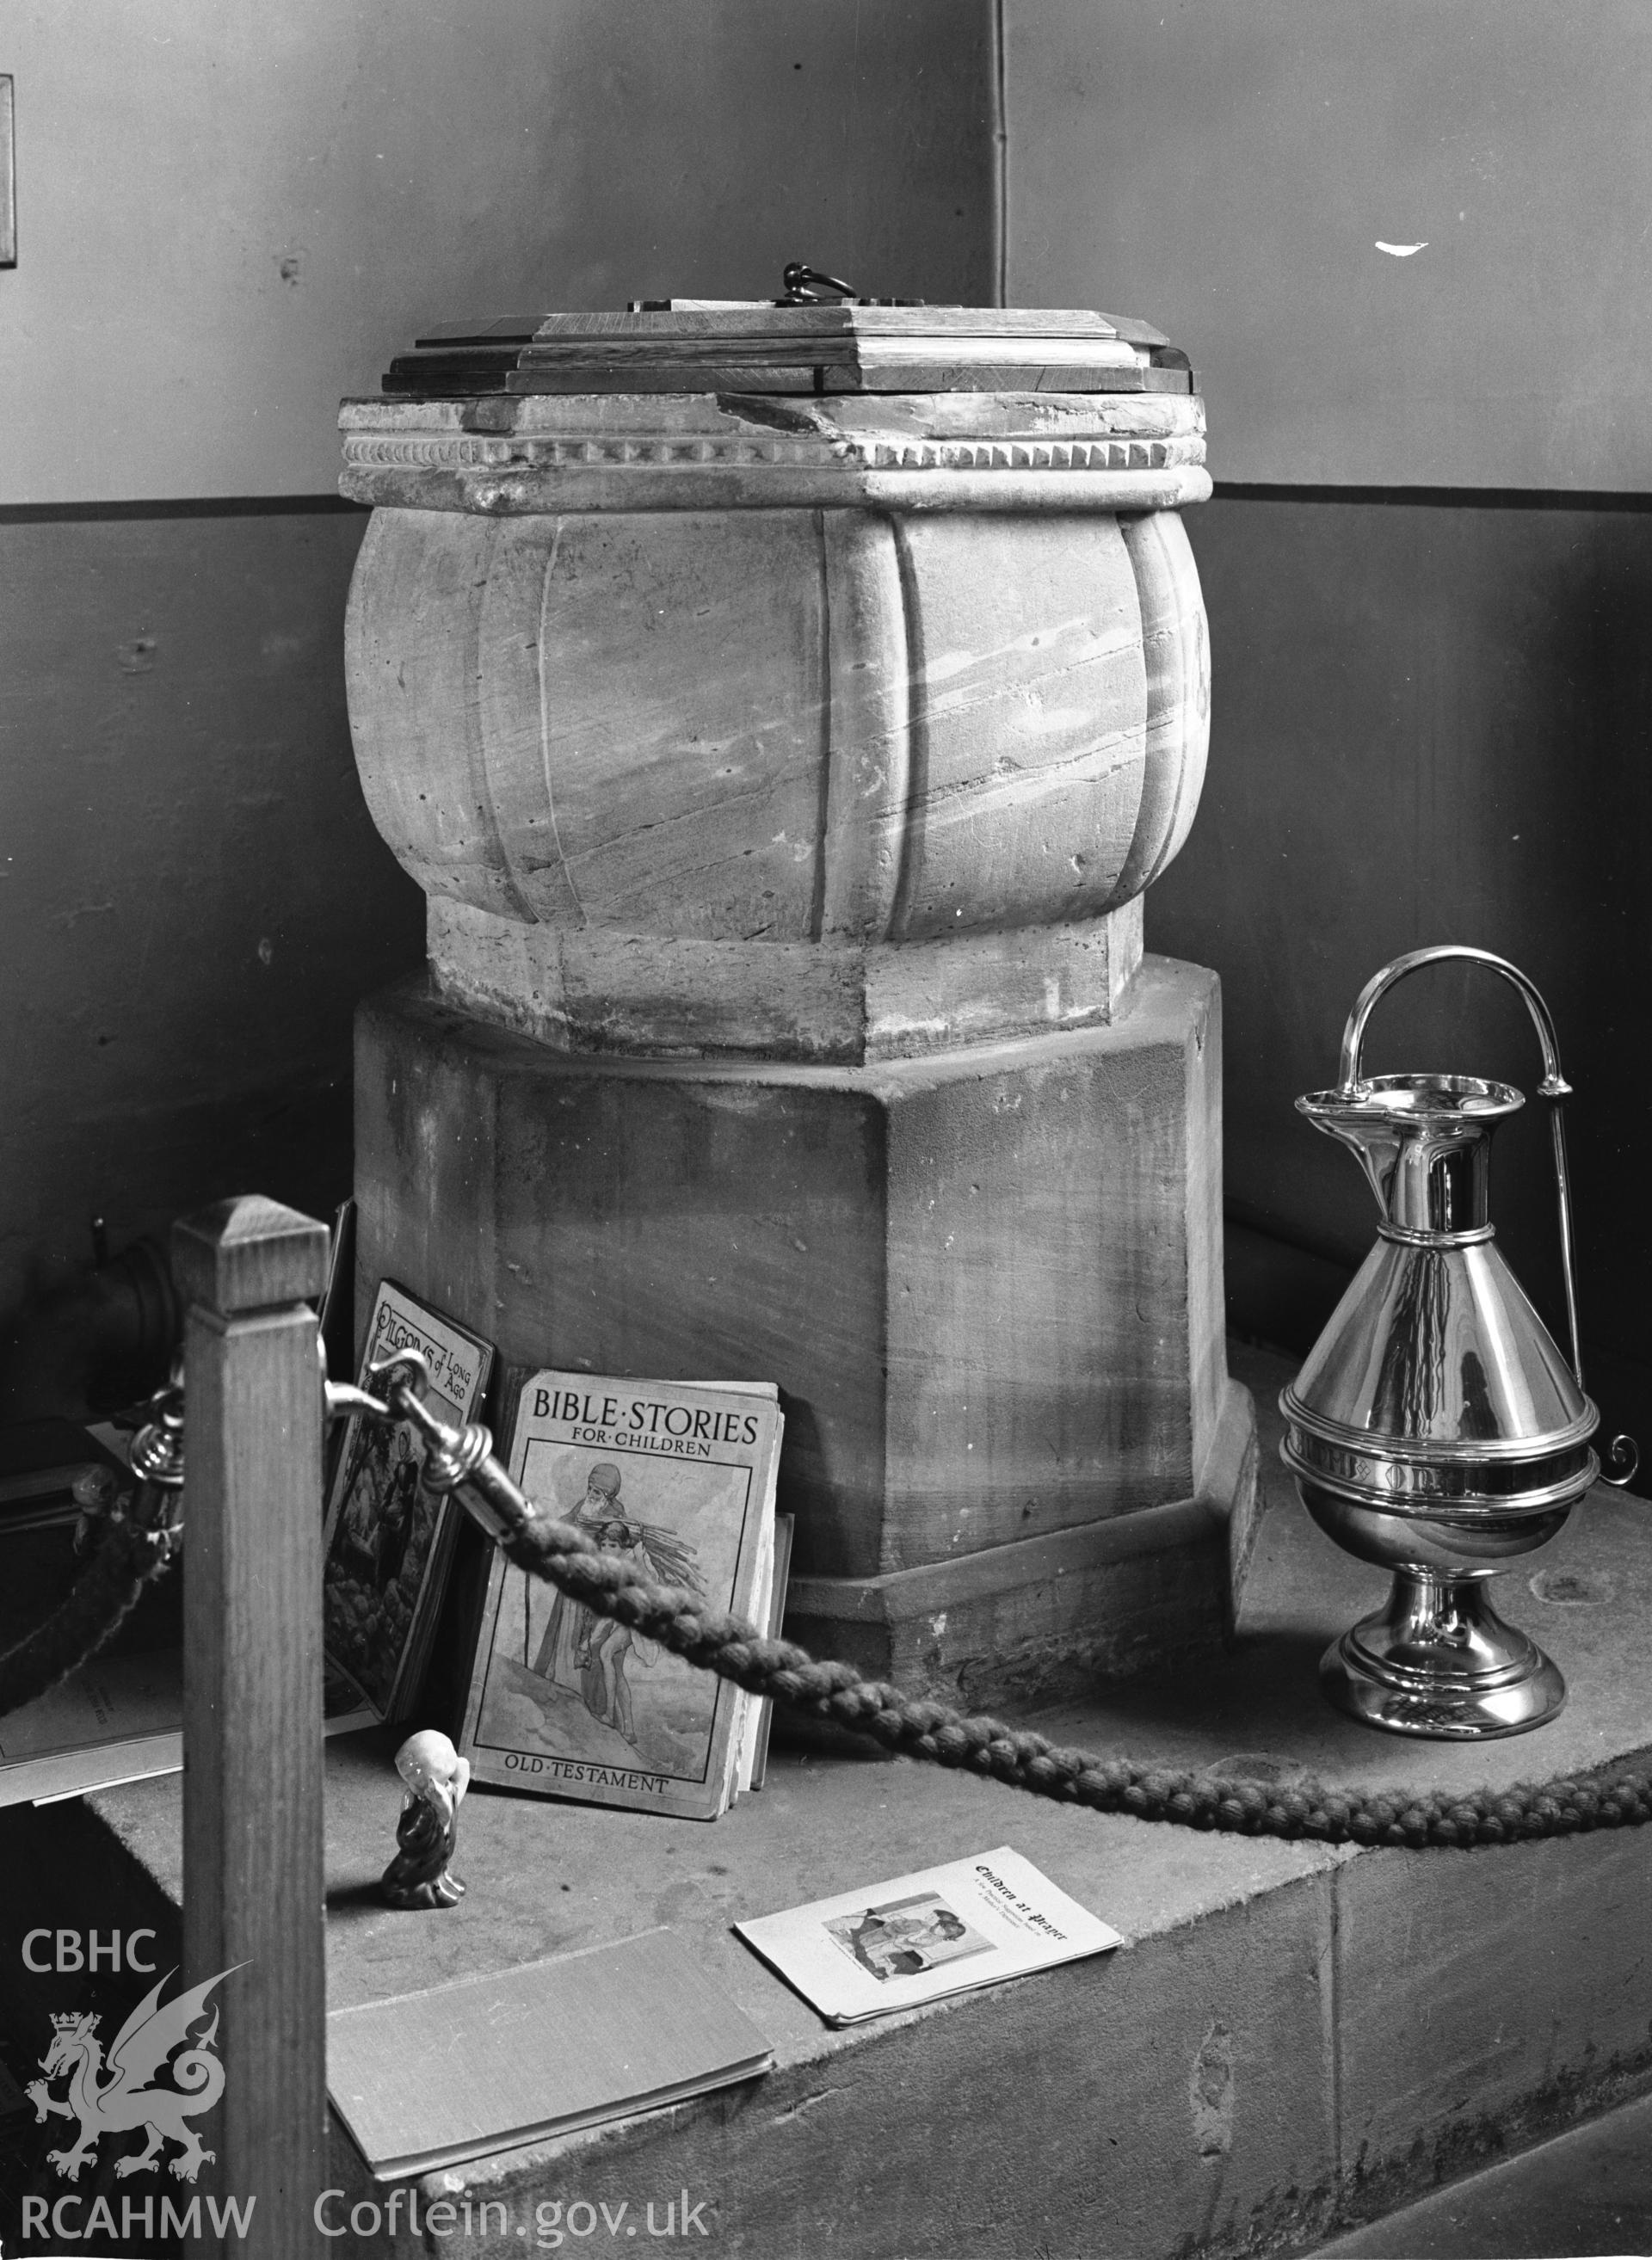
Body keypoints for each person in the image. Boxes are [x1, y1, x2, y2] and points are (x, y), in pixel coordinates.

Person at [380, 1728, 470, 1910]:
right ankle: (428, 1888)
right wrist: (441, 1811)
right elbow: (406, 1839)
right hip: (418, 1865)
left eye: (413, 1781)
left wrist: (463, 1772)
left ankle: (439, 1879)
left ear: (432, 1783)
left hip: (438, 1857)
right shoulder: (423, 1804)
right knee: (425, 1871)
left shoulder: (446, 1792)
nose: (409, 1786)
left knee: (438, 1866)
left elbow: (456, 1794)